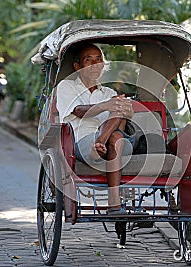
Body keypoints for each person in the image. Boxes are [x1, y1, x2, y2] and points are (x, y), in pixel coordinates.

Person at [56, 43, 135, 215]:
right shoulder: (66, 87)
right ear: (78, 66)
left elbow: (124, 116)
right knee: (114, 127)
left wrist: (125, 109)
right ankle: (114, 203)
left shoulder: (108, 92)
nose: (94, 65)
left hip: (116, 145)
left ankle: (100, 142)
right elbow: (78, 110)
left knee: (117, 128)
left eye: (98, 60)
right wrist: (105, 105)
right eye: (88, 60)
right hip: (82, 142)